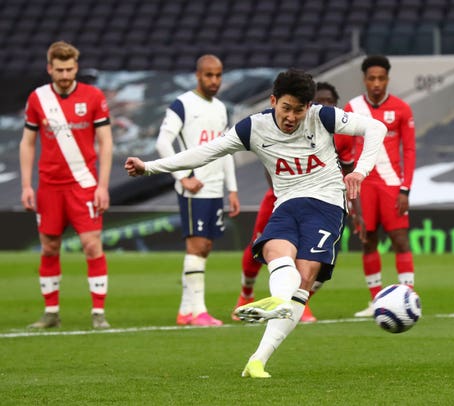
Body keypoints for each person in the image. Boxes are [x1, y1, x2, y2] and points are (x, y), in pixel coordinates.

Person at [125, 69, 386, 378]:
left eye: (298, 110)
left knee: (305, 276)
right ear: (273, 100)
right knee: (276, 252)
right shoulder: (253, 127)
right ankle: (277, 304)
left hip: (326, 203)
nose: (291, 116)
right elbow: (204, 153)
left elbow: (376, 128)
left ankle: (258, 357)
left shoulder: (323, 117)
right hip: (287, 203)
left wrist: (360, 171)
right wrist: (150, 167)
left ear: (308, 106)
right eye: (286, 107)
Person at [232, 81, 356, 324]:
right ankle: (245, 294)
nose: (325, 106)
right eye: (321, 102)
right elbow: (273, 165)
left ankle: (301, 301)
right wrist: (284, 198)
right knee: (261, 243)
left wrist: (353, 207)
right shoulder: (294, 125)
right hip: (282, 198)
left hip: (325, 202)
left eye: (330, 102)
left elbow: (348, 169)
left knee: (318, 259)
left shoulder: (341, 135)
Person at [19, 41, 113, 329]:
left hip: (83, 184)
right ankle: (51, 312)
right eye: (59, 69)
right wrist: (26, 185)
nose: (64, 74)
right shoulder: (38, 98)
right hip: (49, 186)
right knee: (49, 247)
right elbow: (27, 142)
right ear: (50, 68)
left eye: (69, 69)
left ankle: (98, 314)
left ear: (76, 67)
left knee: (91, 245)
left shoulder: (93, 96)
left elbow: (106, 141)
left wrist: (103, 185)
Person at [155, 54, 240, 327]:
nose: (214, 80)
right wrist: (182, 177)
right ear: (198, 75)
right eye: (209, 75)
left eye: (218, 75)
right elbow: (162, 143)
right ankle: (198, 311)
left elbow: (227, 150)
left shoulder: (221, 108)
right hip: (195, 187)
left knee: (205, 247)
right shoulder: (182, 104)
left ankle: (185, 310)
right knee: (197, 245)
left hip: (215, 187)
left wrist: (233, 189)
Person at [340, 55, 417, 317]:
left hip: (392, 185)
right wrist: (350, 193)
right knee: (368, 240)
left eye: (381, 78)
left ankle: (408, 297)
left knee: (400, 240)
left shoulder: (402, 109)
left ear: (387, 79)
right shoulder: (352, 108)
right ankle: (376, 301)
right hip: (364, 185)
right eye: (371, 78)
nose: (376, 83)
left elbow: (409, 150)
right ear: (364, 79)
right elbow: (345, 151)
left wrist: (406, 189)